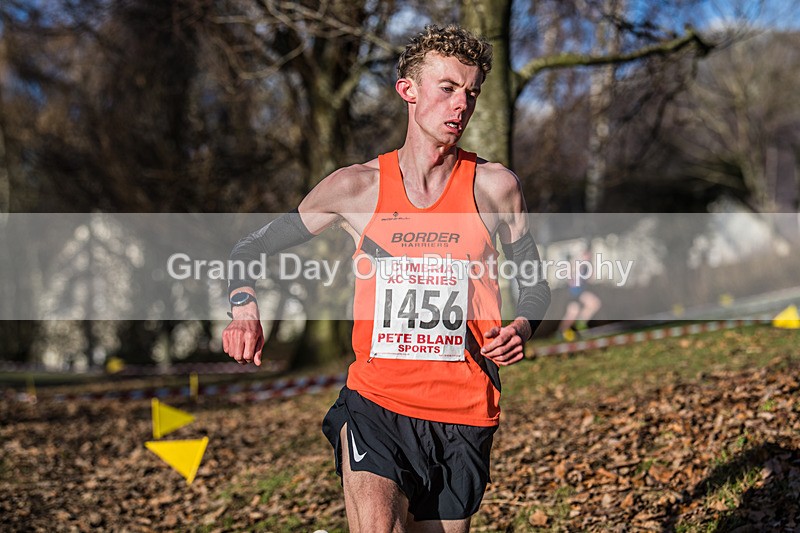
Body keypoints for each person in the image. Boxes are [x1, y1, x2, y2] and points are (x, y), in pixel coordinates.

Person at [222, 25, 550, 532]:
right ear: (408, 90)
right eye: (447, 88)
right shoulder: (356, 188)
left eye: (472, 92)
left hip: (463, 409)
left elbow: (535, 282)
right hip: (377, 403)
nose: (461, 104)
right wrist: (243, 306)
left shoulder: (496, 187)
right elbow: (249, 247)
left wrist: (523, 326)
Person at [558, 244, 602, 339]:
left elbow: (590, 279)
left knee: (575, 311)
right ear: (584, 255)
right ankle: (563, 332)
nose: (589, 257)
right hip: (574, 293)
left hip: (578, 292)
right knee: (574, 312)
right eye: (587, 255)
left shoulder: (587, 266)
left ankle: (572, 328)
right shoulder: (579, 264)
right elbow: (570, 277)